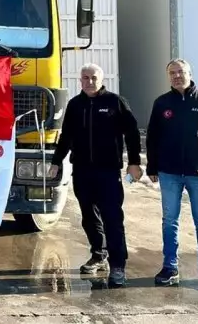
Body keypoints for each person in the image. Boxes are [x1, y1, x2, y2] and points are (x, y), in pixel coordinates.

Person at [50, 63, 142, 288]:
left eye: (93, 77)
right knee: (89, 217)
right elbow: (66, 137)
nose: (89, 81)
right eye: (85, 78)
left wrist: (134, 163)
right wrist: (56, 161)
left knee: (112, 218)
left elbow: (131, 134)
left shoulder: (115, 102)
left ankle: (118, 265)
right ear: (79, 80)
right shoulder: (75, 105)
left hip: (108, 172)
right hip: (82, 171)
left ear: (101, 79)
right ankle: (98, 255)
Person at [146, 58, 198, 291]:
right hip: (169, 173)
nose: (176, 76)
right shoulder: (162, 103)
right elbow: (152, 138)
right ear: (168, 77)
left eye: (181, 72)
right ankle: (170, 267)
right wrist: (152, 167)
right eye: (172, 73)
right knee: (169, 221)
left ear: (190, 74)